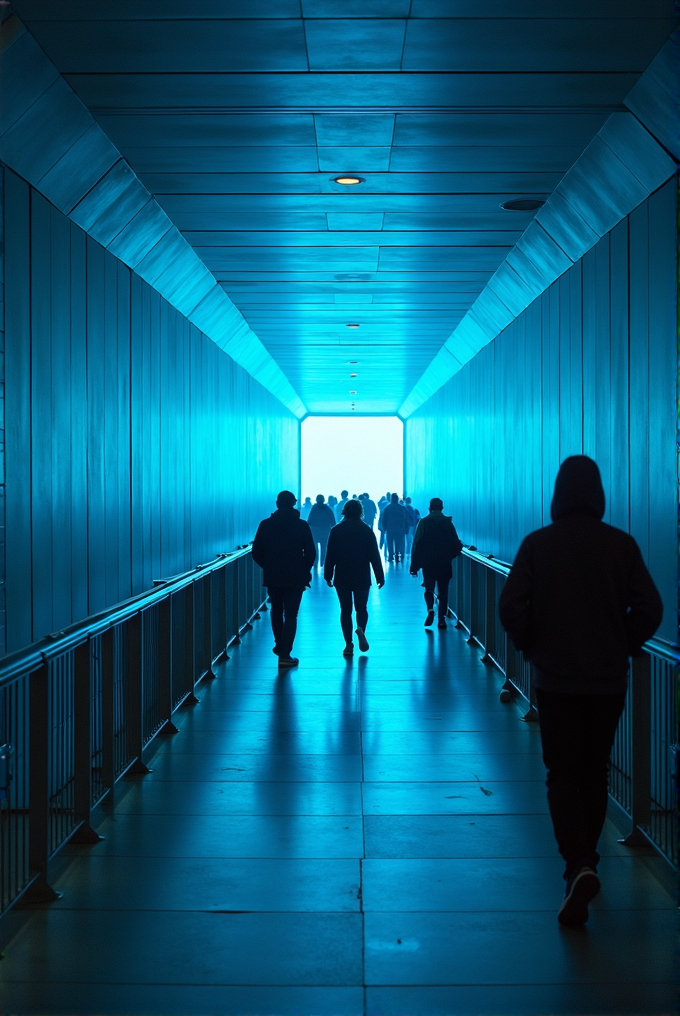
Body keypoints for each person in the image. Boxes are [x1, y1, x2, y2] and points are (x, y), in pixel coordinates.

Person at [498, 456, 663, 927]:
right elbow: (650, 607)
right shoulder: (621, 546)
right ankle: (587, 859)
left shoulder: (538, 545)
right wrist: (623, 643)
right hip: (607, 682)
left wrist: (533, 643)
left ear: (557, 493)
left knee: (561, 773)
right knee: (594, 772)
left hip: (557, 681)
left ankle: (578, 865)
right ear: (598, 494)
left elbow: (511, 605)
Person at [252, 490, 317, 668]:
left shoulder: (265, 524)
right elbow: (310, 552)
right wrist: (305, 570)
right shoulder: (301, 525)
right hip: (295, 576)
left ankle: (279, 645)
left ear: (277, 504)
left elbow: (256, 552)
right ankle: (285, 653)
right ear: (293, 504)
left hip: (273, 576)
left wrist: (268, 565)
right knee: (291, 614)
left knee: (276, 611)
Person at [324, 498, 385, 656]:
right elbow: (374, 555)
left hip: (342, 575)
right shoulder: (366, 530)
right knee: (361, 608)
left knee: (345, 610)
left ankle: (348, 644)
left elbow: (330, 555)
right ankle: (361, 629)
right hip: (361, 575)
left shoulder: (336, 530)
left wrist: (328, 574)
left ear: (344, 511)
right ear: (360, 512)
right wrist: (379, 575)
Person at [410, 497, 463, 628]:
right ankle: (441, 619)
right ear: (442, 508)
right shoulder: (447, 523)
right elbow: (456, 543)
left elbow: (416, 543)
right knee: (443, 591)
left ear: (430, 508)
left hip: (428, 562)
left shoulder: (424, 522)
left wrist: (414, 565)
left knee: (429, 589)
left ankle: (430, 610)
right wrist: (450, 555)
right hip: (444, 562)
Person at [307, 494, 335, 566]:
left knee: (315, 548)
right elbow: (333, 522)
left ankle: (315, 563)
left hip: (315, 532)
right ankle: (323, 564)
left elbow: (310, 520)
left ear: (316, 500)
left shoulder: (314, 508)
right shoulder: (328, 509)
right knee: (324, 548)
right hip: (325, 531)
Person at [381, 492, 409, 562]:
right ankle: (398, 554)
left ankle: (391, 555)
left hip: (390, 528)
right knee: (399, 542)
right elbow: (406, 520)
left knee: (390, 542)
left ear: (391, 499)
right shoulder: (402, 508)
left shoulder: (387, 508)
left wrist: (384, 528)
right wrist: (406, 528)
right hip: (400, 529)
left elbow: (384, 519)